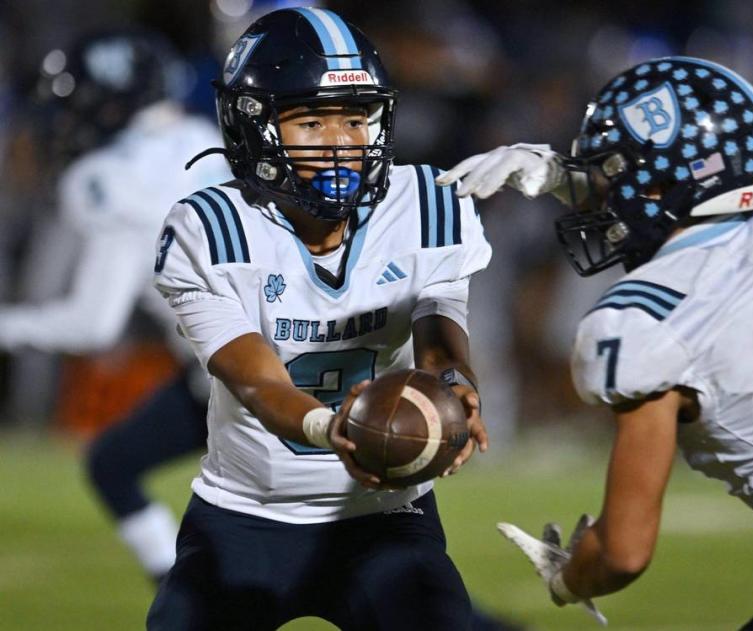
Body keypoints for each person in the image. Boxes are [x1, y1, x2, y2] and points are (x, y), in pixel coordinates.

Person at [439, 57, 753, 630]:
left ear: (657, 180)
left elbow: (623, 552)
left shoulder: (644, 321)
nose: (601, 197)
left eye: (611, 174)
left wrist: (571, 576)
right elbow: (687, 192)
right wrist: (563, 174)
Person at [147, 8, 494, 630]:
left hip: (387, 518)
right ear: (254, 128)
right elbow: (257, 382)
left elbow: (440, 339)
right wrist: (330, 427)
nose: (342, 142)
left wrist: (455, 387)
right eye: (311, 121)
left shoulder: (427, 205)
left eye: (356, 119)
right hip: (244, 517)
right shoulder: (211, 227)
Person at [0, 31, 229, 582]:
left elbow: (91, 324)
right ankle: (183, 588)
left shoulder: (106, 180)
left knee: (314, 559)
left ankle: (190, 593)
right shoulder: (203, 134)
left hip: (237, 383)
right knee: (113, 464)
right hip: (283, 353)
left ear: (109, 105)